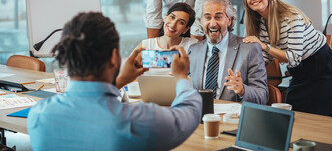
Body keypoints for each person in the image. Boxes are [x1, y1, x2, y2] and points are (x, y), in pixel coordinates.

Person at [27, 12, 202, 151]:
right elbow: (190, 112)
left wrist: (120, 82)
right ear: (113, 57)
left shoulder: (39, 115)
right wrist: (181, 76)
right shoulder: (138, 120)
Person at [242, 0, 332, 115]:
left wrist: (264, 46)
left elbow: (294, 58)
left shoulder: (290, 17)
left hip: (322, 66)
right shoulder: (260, 22)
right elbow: (266, 57)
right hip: (300, 70)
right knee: (293, 114)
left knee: (324, 119)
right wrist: (245, 74)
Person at [188, 0, 268, 104]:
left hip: (231, 118)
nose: (212, 23)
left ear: (229, 20)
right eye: (207, 17)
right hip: (199, 116)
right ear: (201, 21)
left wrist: (243, 90)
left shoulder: (250, 49)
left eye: (218, 17)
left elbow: (262, 96)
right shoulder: (193, 50)